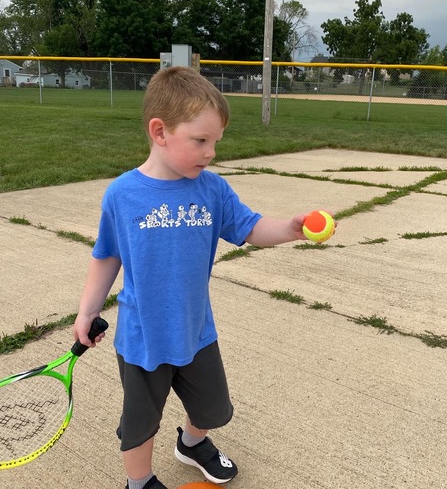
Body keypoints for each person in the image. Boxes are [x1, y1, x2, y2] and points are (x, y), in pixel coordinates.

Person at [73, 66, 335, 489]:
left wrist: (292, 227)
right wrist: (87, 311)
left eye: (215, 142)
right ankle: (138, 482)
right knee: (140, 424)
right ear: (160, 132)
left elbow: (249, 228)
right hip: (144, 338)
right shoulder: (122, 195)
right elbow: (107, 257)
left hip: (196, 330)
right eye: (200, 141)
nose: (211, 152)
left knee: (213, 409)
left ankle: (193, 443)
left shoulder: (211, 190)